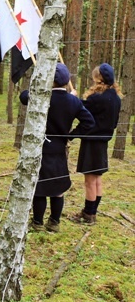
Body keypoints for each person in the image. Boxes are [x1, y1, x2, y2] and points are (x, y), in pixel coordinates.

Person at [19, 63, 95, 233]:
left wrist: (38, 88)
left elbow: (24, 96)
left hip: (42, 147)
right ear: (66, 81)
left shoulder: (42, 98)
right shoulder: (72, 100)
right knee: (57, 187)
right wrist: (70, 135)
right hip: (59, 148)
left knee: (40, 187)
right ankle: (54, 222)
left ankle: (38, 223)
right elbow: (89, 123)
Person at [70, 63, 122, 225]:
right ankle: (92, 213)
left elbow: (80, 110)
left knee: (90, 181)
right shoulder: (115, 96)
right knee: (97, 179)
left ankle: (88, 215)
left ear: (99, 78)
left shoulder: (97, 98)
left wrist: (72, 97)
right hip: (102, 142)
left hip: (92, 143)